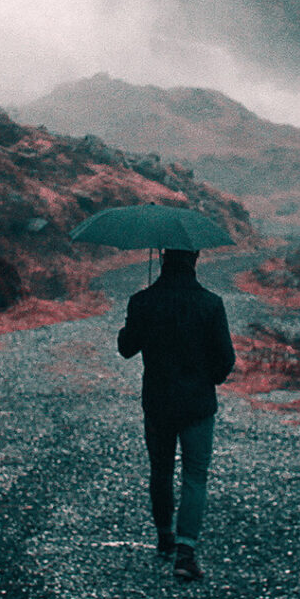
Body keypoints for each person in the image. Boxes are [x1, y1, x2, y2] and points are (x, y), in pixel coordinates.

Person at [117, 248, 236, 582]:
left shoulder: (142, 301)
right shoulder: (211, 303)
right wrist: (207, 379)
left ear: (164, 257)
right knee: (195, 476)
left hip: (157, 403)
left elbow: (127, 349)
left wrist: (130, 325)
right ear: (195, 259)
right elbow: (225, 359)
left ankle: (164, 538)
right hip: (198, 405)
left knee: (161, 470)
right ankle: (185, 553)